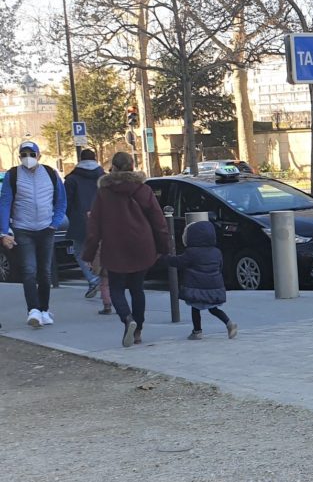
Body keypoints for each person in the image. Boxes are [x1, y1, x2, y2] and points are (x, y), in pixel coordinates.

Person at [83, 152, 169, 347]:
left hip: (114, 246)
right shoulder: (143, 189)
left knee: (117, 288)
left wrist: (89, 253)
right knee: (138, 289)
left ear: (113, 167)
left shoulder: (104, 193)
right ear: (132, 166)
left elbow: (94, 226)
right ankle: (138, 331)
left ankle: (127, 319)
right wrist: (163, 247)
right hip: (142, 244)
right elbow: (159, 221)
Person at [0, 140, 67, 328]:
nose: (27, 158)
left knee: (45, 272)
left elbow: (61, 201)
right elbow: (5, 203)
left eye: (31, 154)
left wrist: (54, 224)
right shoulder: (13, 175)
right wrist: (4, 231)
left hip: (46, 228)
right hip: (23, 228)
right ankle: (33, 310)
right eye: (24, 154)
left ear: (39, 156)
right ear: (19, 156)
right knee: (29, 270)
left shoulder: (50, 174)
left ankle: (44, 309)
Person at [167, 220, 237, 341]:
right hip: (214, 286)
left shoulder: (191, 253)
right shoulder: (217, 252)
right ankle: (229, 323)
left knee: (195, 308)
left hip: (197, 287)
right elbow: (220, 267)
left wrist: (165, 258)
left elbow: (179, 262)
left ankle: (197, 331)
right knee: (213, 309)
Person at [64, 148, 106, 299]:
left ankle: (93, 279)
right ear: (95, 158)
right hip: (102, 219)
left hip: (79, 220)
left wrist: (70, 216)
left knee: (80, 252)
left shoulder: (72, 179)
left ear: (80, 160)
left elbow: (66, 202)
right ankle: (104, 283)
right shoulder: (103, 176)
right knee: (102, 251)